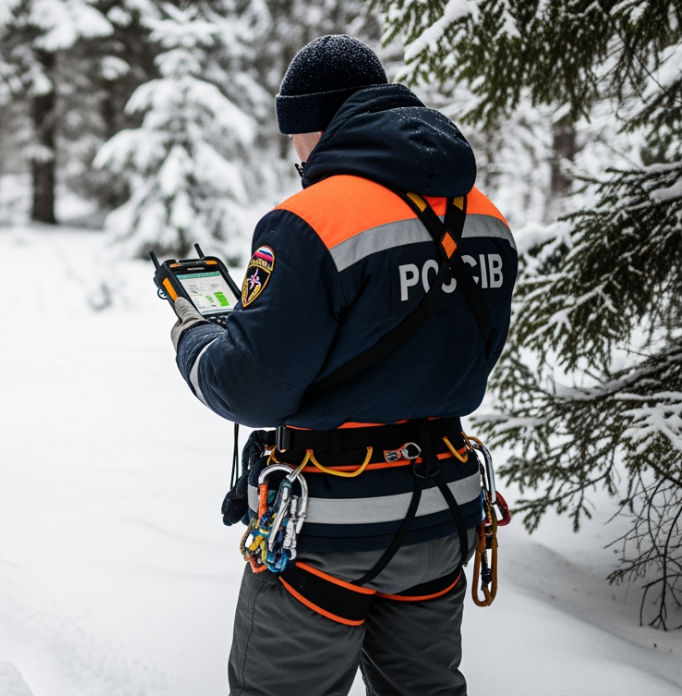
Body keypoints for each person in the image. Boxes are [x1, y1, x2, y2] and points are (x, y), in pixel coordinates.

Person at [168, 36, 517, 695]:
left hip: (327, 530)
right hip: (443, 512)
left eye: (294, 134)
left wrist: (196, 338)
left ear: (312, 127)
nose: (295, 154)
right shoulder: (486, 215)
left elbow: (248, 389)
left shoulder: (308, 220)